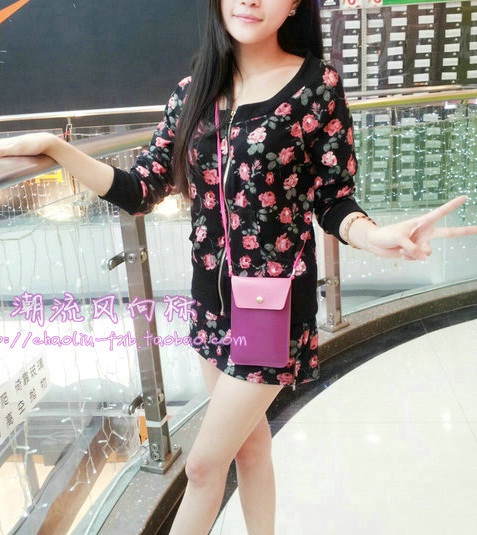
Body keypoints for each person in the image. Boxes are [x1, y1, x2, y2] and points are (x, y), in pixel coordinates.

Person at [1, 1, 476, 533]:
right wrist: (56, 149)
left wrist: (373, 235)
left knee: (204, 466)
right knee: (249, 448)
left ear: (293, 5)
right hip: (211, 304)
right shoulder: (193, 93)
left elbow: (333, 199)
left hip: (273, 309)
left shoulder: (315, 87)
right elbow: (141, 190)